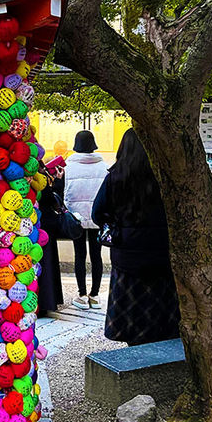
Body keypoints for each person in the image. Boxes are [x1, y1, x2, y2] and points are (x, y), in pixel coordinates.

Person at [92, 128, 180, 345]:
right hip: (161, 251)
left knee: (132, 313)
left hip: (127, 254)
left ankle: (134, 356)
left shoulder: (116, 177)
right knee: (161, 313)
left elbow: (97, 213)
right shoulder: (164, 176)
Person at [64, 130, 108, 309]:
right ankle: (95, 296)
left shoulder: (69, 167)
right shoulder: (103, 166)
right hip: (97, 217)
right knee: (96, 256)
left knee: (79, 255)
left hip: (76, 218)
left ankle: (82, 295)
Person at [37, 159, 65, 316]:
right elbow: (50, 198)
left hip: (37, 227)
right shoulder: (39, 177)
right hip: (46, 228)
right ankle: (46, 302)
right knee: (47, 264)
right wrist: (58, 183)